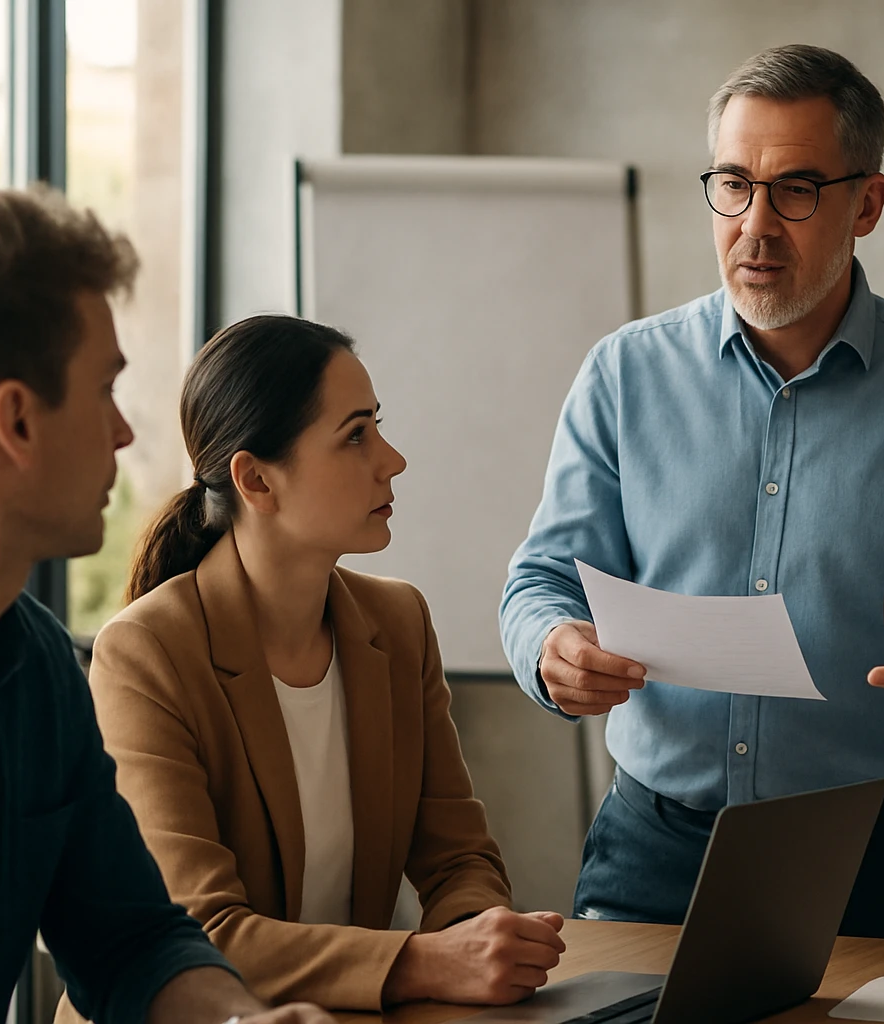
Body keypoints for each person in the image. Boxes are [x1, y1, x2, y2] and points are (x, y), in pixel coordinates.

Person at [500, 44, 884, 940]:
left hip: (862, 861)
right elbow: (539, 584)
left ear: (866, 203)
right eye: (732, 184)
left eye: (795, 189)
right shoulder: (624, 374)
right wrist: (551, 648)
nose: (754, 225)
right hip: (649, 849)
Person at [56, 314, 567, 1019]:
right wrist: (423, 962)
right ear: (257, 481)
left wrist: (474, 944)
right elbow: (199, 935)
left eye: (377, 426)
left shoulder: (399, 624)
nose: (392, 459)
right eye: (355, 435)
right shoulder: (145, 654)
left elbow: (459, 862)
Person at [0, 186, 333, 1024]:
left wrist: (244, 1022)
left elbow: (130, 941)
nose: (125, 434)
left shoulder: (43, 673)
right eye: (104, 391)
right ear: (17, 421)